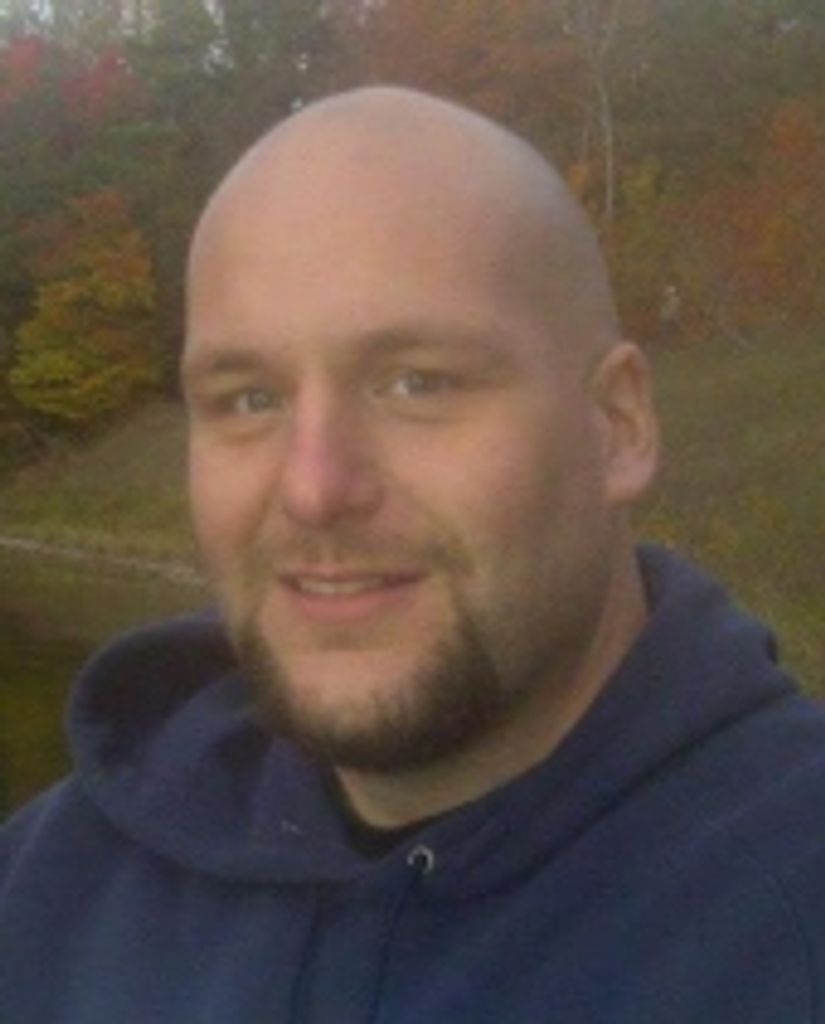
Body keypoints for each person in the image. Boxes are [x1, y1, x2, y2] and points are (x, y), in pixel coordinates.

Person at [1, 87, 824, 1023]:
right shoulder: (46, 895)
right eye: (248, 400)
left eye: (416, 383)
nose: (314, 489)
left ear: (616, 426)